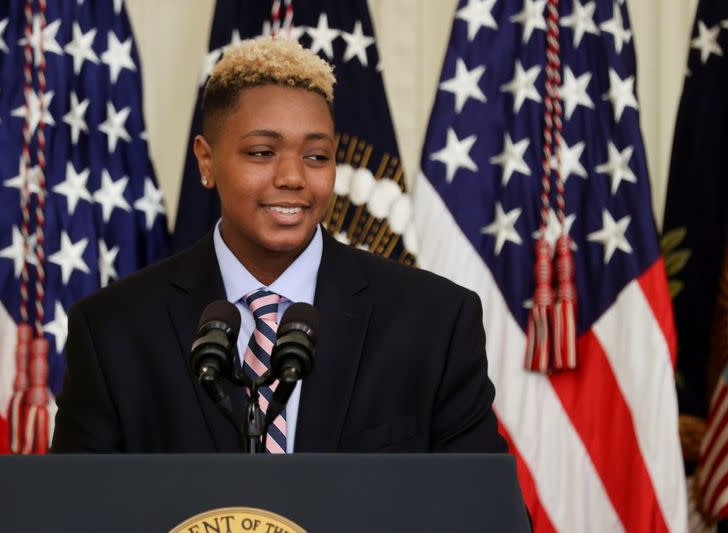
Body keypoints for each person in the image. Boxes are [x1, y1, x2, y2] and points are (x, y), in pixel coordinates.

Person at [51, 37, 506, 454]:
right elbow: (75, 512)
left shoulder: (435, 322)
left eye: (316, 156)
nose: (292, 177)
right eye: (262, 153)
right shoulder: (114, 329)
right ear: (206, 161)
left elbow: (485, 513)